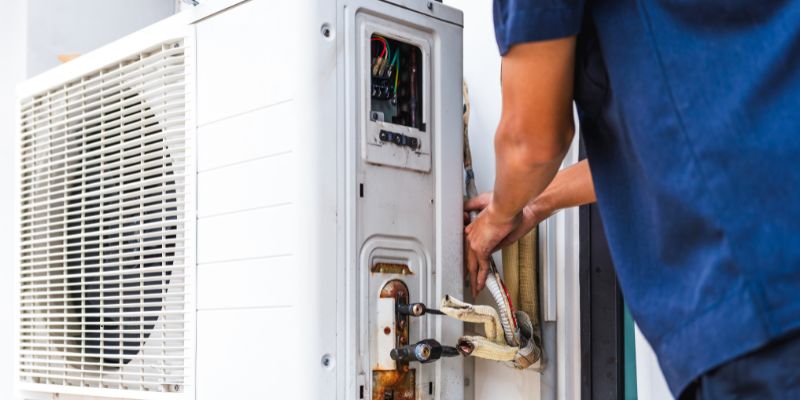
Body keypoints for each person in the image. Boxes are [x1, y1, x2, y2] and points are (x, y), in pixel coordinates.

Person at [463, 0, 800, 398]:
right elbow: (684, 135)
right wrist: (534, 204)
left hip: (757, 301)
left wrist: (499, 215)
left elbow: (531, 141)